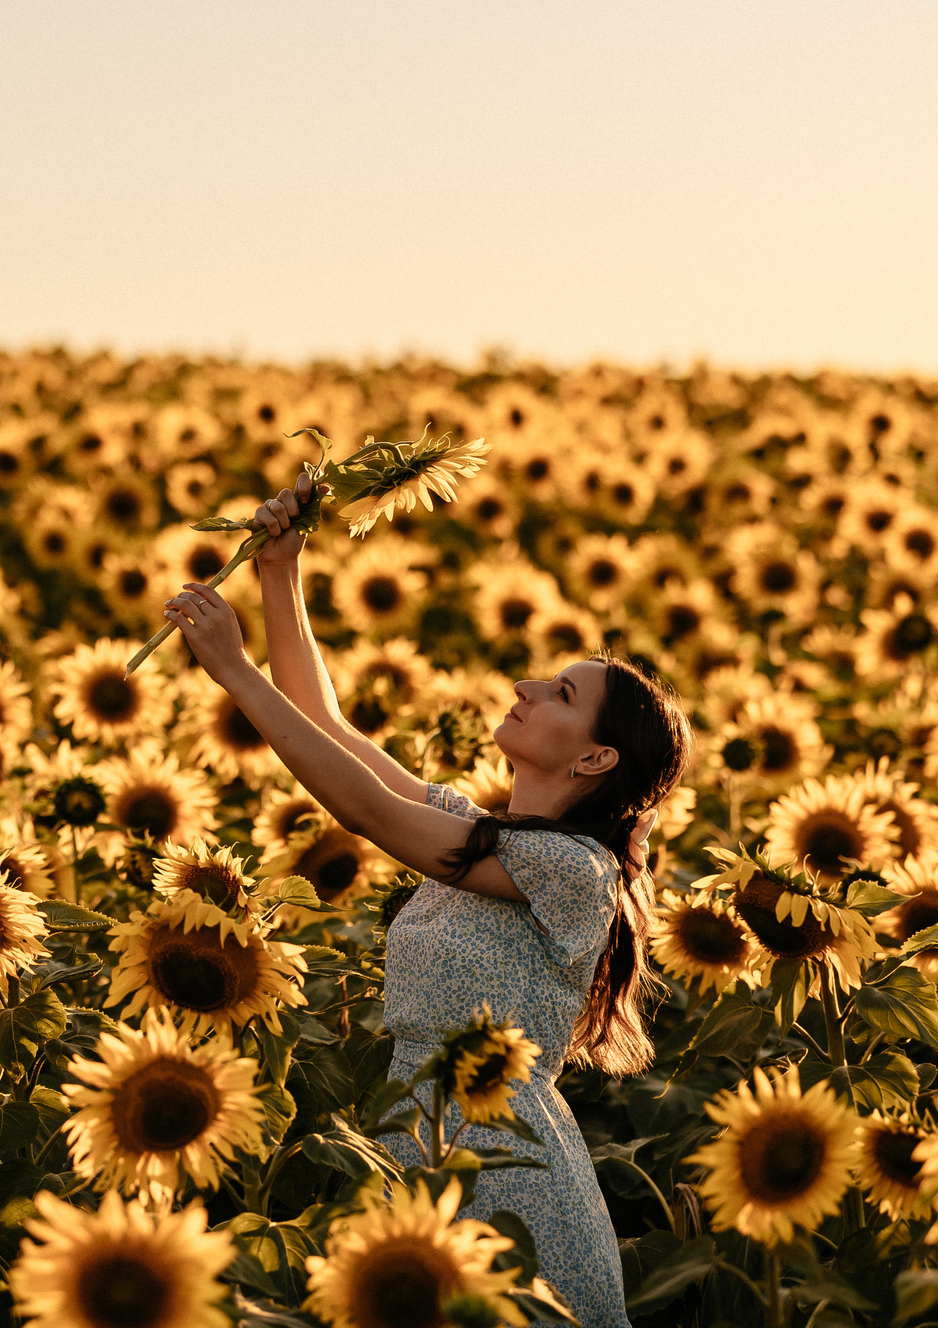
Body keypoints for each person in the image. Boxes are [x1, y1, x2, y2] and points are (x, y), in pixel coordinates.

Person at [162, 472, 689, 1328]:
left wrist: (233, 671)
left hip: (505, 1185)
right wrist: (280, 573)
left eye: (562, 694)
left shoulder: (573, 871)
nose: (526, 686)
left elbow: (364, 809)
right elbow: (331, 732)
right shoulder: (479, 830)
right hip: (420, 1151)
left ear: (594, 761)